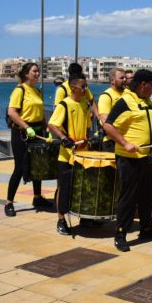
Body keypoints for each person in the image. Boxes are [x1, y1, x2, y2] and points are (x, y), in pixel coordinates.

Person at [104, 69, 152, 252]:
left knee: (146, 195)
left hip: (146, 156)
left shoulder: (146, 101)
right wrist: (125, 143)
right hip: (129, 159)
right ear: (143, 84)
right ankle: (120, 234)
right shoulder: (125, 102)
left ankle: (146, 228)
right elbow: (108, 125)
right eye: (151, 85)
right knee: (128, 198)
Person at [4, 62, 52, 217]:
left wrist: (46, 128)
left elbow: (40, 112)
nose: (37, 74)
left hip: (38, 131)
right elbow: (12, 112)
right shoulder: (20, 90)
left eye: (38, 72)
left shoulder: (38, 91)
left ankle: (37, 197)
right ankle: (9, 202)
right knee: (19, 167)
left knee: (38, 165)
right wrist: (26, 127)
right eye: (34, 71)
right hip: (22, 133)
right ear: (26, 74)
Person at [48, 72, 91, 235]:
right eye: (83, 86)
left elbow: (86, 126)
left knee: (81, 187)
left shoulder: (86, 105)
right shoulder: (64, 105)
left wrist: (88, 138)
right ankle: (61, 219)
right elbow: (53, 125)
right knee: (64, 189)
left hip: (83, 154)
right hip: (66, 155)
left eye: (86, 85)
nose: (86, 88)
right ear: (73, 87)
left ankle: (85, 217)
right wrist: (64, 138)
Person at [98, 67, 126, 152]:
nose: (125, 80)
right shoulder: (106, 96)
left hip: (127, 140)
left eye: (125, 77)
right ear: (113, 81)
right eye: (121, 78)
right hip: (111, 142)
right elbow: (105, 121)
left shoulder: (127, 94)